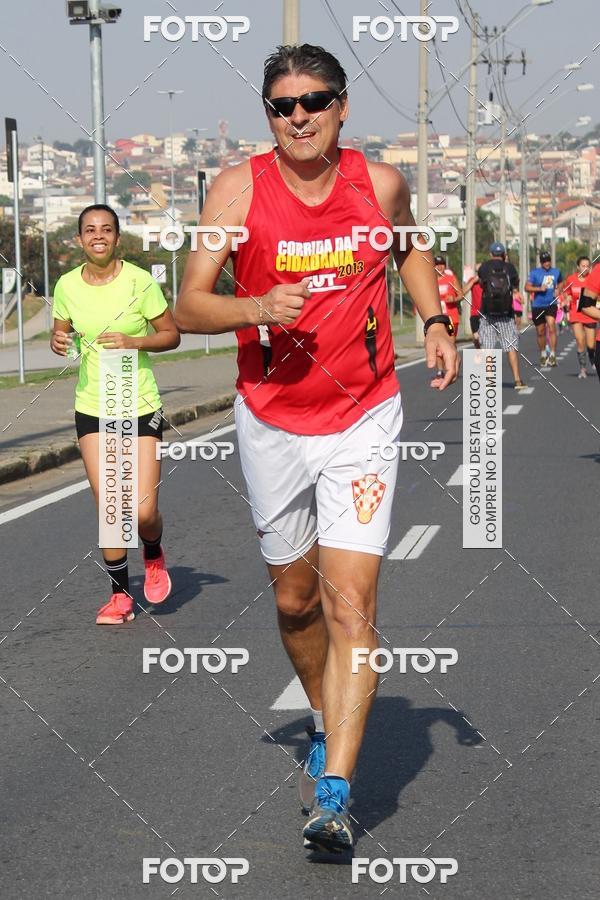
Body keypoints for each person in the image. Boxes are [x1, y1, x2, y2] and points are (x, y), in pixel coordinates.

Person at [175, 44, 458, 854]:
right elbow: (190, 305)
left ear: (341, 107)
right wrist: (258, 304)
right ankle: (324, 713)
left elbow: (408, 246)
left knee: (350, 606)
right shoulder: (237, 189)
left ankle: (335, 790)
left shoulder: (380, 185)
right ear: (270, 114)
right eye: (282, 105)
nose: (297, 116)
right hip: (271, 420)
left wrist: (433, 320)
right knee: (296, 602)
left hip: (364, 417)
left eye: (314, 100)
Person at [51, 204, 179, 625]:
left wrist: (133, 341)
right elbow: (63, 330)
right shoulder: (67, 285)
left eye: (106, 229)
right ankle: (120, 596)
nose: (98, 236)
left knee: (141, 511)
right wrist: (58, 339)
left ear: (117, 238)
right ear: (80, 239)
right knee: (112, 506)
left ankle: (153, 550)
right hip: (92, 406)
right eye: (90, 230)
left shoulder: (141, 282)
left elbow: (171, 335)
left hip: (139, 403)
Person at [467, 242, 525, 390]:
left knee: (488, 348)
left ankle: (490, 382)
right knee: (511, 347)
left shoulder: (484, 267)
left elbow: (481, 284)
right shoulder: (510, 268)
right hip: (506, 314)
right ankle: (517, 380)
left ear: (491, 254)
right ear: (504, 254)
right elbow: (515, 284)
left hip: (487, 313)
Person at [525, 250, 563, 367]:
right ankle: (543, 354)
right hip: (538, 305)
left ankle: (552, 354)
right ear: (541, 262)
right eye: (544, 261)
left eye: (548, 261)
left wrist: (558, 290)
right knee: (540, 332)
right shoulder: (535, 273)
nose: (546, 263)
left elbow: (561, 282)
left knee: (552, 327)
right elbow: (527, 287)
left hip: (551, 304)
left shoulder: (556, 272)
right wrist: (539, 289)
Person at [562, 255, 596, 378]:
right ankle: (583, 368)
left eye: (587, 266)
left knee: (591, 344)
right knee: (580, 340)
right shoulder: (571, 279)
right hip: (576, 314)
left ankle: (592, 356)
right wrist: (567, 298)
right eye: (583, 266)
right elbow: (566, 293)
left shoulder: (593, 279)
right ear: (578, 267)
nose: (585, 268)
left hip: (590, 314)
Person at [434, 255, 463, 341]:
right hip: (437, 318)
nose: (439, 267)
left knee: (451, 342)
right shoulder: (430, 280)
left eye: (442, 264)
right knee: (440, 345)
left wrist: (454, 299)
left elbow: (461, 295)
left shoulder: (451, 278)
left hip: (451, 318)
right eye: (437, 264)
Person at [463, 262, 482, 348]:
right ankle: (478, 351)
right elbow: (463, 291)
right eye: (477, 271)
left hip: (486, 314)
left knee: (487, 339)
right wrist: (473, 281)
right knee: (476, 337)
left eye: (480, 270)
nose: (479, 273)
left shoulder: (489, 280)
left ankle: (488, 359)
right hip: (475, 314)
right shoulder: (473, 280)